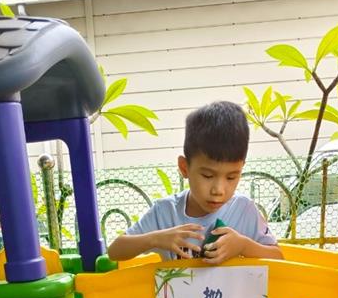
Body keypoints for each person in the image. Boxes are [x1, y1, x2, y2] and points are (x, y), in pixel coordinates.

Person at [107, 101, 282, 265]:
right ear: (184, 168)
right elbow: (115, 251)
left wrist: (244, 245)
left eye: (231, 177)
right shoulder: (165, 212)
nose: (219, 190)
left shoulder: (244, 210)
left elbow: (279, 258)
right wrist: (156, 239)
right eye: (207, 175)